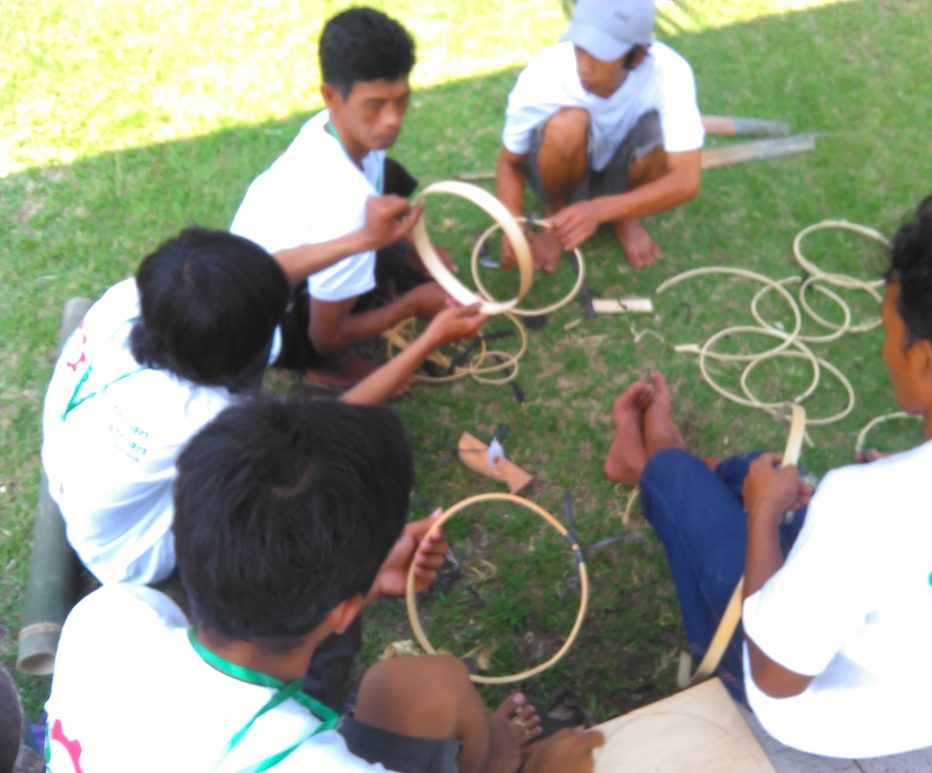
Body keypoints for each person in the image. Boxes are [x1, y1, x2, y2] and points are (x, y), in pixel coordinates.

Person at [603, 194, 932, 758]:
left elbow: (777, 676)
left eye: (886, 331)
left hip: (822, 722)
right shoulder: (884, 501)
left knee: (715, 490)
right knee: (776, 477)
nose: (883, 349)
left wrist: (761, 520)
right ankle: (698, 470)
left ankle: (654, 464)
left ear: (927, 360)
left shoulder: (869, 505)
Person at [44, 396, 603, 772]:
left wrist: (354, 587)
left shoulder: (108, 623)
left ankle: (497, 752)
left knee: (422, 685)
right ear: (342, 611)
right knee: (427, 688)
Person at [40, 228, 486, 585]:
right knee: (294, 487)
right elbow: (333, 418)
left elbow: (263, 277)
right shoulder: (207, 419)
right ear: (237, 358)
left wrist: (366, 236)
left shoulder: (133, 300)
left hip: (73, 469)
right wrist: (428, 339)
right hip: (129, 552)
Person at [232, 7, 456, 389]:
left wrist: (418, 248)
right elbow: (326, 335)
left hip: (258, 272)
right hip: (263, 323)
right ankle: (327, 367)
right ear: (331, 96)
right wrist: (411, 306)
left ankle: (368, 289)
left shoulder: (329, 127)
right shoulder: (345, 205)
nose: (392, 120)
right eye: (375, 104)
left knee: (391, 194)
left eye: (401, 99)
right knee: (337, 318)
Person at [495, 0, 704, 272]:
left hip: (622, 172)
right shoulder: (546, 73)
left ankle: (626, 218)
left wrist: (600, 210)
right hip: (563, 166)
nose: (584, 66)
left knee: (663, 134)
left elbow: (686, 180)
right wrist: (514, 225)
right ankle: (556, 216)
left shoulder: (670, 73)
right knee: (567, 125)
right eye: (580, 48)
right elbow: (509, 162)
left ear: (639, 55)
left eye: (600, 55)